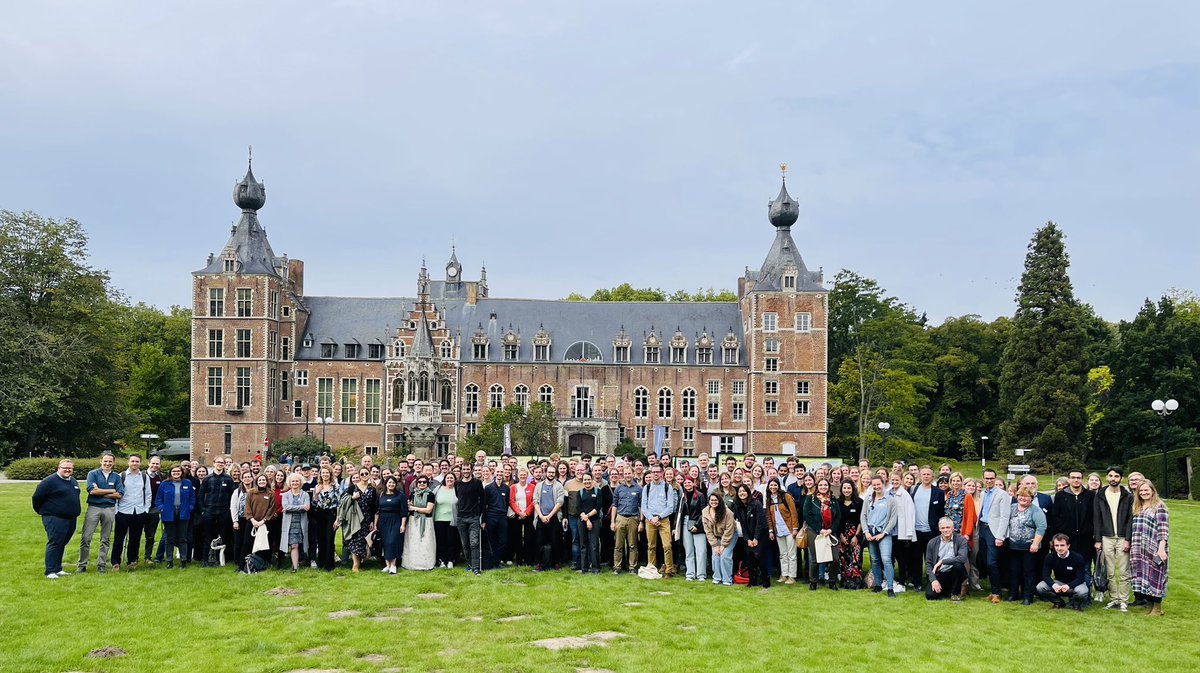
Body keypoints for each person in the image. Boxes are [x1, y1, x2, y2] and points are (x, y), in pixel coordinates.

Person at [32, 459, 82, 579]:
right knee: (55, 543)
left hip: (70, 518)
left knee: (62, 543)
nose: (67, 470)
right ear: (58, 468)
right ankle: (50, 571)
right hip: (54, 518)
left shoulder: (73, 481)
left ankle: (58, 568)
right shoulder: (49, 482)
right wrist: (44, 512)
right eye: (65, 468)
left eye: (70, 468)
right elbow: (37, 498)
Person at [1094, 467, 1133, 612]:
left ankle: (1123, 600)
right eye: (1110, 476)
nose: (1113, 478)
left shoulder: (1127, 496)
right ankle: (1113, 599)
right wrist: (1098, 539)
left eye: (1116, 476)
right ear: (1106, 477)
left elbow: (1131, 519)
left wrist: (1128, 539)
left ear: (1121, 478)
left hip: (1123, 537)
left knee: (1123, 571)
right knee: (1109, 571)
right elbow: (1096, 518)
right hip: (1106, 537)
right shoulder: (1100, 495)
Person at [77, 452, 123, 573]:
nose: (107, 463)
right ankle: (82, 564)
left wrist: (101, 491)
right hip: (94, 507)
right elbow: (92, 491)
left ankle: (101, 564)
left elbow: (119, 494)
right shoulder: (92, 474)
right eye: (105, 461)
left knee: (105, 538)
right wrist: (110, 491)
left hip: (109, 509)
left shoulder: (116, 477)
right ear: (100, 461)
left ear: (113, 463)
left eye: (110, 461)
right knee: (86, 537)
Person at [1129, 479, 1169, 616]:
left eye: (1146, 490)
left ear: (1152, 490)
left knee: (1156, 576)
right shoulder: (1138, 507)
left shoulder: (1159, 507)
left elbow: (1163, 530)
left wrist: (1161, 549)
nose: (1144, 493)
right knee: (1144, 577)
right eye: (1141, 491)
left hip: (1154, 548)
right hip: (1140, 548)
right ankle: (1150, 605)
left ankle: (1157, 608)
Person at [1005, 486, 1047, 605]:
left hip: (1030, 547)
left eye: (1026, 496)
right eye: (1020, 496)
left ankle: (1028, 596)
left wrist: (1035, 543)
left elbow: (1041, 527)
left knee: (1028, 572)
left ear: (1032, 498)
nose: (1023, 498)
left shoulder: (1036, 510)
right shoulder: (1011, 508)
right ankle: (1013, 594)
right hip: (1013, 546)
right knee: (1014, 571)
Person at [111, 455, 152, 572]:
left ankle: (132, 561)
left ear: (140, 463)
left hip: (139, 511)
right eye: (132, 461)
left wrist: (146, 509)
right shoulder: (121, 476)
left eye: (137, 461)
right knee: (119, 538)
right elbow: (116, 493)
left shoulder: (144, 477)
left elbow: (148, 494)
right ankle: (115, 562)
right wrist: (116, 510)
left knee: (135, 538)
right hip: (123, 511)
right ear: (128, 462)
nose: (135, 463)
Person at [979, 468, 1013, 603]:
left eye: (991, 478)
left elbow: (1005, 516)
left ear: (995, 478)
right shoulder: (982, 494)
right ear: (983, 479)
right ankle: (993, 591)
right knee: (985, 562)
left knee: (992, 563)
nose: (989, 481)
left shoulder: (1002, 494)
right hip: (982, 528)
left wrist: (1000, 536)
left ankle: (997, 593)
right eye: (986, 478)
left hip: (994, 531)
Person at [910, 466, 946, 592]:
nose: (926, 476)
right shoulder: (913, 490)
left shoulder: (938, 493)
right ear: (920, 476)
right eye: (923, 474)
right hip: (916, 530)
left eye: (928, 474)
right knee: (916, 558)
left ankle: (931, 581)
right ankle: (917, 583)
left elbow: (942, 513)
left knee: (930, 559)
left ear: (932, 477)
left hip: (932, 531)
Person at [862, 476, 897, 597]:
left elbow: (893, 518)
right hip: (870, 532)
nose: (877, 487)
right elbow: (863, 516)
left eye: (879, 484)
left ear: (883, 484)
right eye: (874, 485)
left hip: (884, 533)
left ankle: (890, 587)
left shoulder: (890, 500)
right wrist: (866, 531)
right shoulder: (868, 499)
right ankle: (877, 584)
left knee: (886, 559)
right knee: (874, 559)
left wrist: (884, 533)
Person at [802, 478, 840, 590]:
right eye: (821, 485)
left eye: (825, 485)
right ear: (817, 486)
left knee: (835, 558)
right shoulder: (811, 499)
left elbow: (838, 516)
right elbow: (807, 515)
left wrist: (831, 529)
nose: (823, 487)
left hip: (830, 532)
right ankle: (813, 582)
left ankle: (832, 582)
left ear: (828, 486)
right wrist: (819, 529)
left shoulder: (833, 499)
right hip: (815, 531)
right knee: (815, 558)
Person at [196, 458, 235, 567]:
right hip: (209, 511)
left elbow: (232, 496)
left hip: (223, 512)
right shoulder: (207, 479)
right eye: (218, 462)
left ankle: (220, 559)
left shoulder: (228, 479)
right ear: (213, 464)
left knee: (223, 536)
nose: (220, 464)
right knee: (208, 536)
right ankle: (205, 560)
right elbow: (200, 496)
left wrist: (229, 510)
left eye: (222, 463)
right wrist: (203, 510)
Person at [641, 465, 678, 578]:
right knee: (651, 546)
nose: (655, 474)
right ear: (651, 473)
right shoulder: (646, 488)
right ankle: (651, 569)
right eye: (653, 472)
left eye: (658, 472)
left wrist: (659, 517)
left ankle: (668, 570)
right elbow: (644, 506)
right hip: (650, 520)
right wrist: (651, 518)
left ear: (662, 473)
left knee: (667, 545)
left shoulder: (668, 487)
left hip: (664, 520)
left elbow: (670, 507)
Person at [1036, 533, 1089, 610]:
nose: (1059, 548)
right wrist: (1054, 585)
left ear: (1068, 546)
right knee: (1040, 587)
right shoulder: (1049, 557)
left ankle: (1076, 605)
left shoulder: (1078, 558)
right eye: (1057, 545)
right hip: (1059, 583)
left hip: (1075, 584)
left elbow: (1080, 578)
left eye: (1062, 545)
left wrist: (1068, 586)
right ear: (1053, 546)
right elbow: (1045, 575)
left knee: (1082, 591)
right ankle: (1058, 602)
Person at [339, 473, 377, 573]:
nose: (364, 475)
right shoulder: (353, 488)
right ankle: (355, 564)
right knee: (355, 539)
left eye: (366, 473)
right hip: (355, 517)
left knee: (363, 540)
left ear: (369, 475)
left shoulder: (372, 489)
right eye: (362, 474)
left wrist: (372, 520)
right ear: (359, 475)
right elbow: (342, 500)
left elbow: (374, 506)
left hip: (367, 518)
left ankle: (361, 561)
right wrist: (352, 498)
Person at [924, 517, 968, 601]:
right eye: (943, 528)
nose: (945, 530)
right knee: (930, 596)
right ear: (939, 529)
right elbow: (928, 564)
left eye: (948, 527)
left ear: (953, 528)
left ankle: (955, 593)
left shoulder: (961, 540)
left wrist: (942, 561)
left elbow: (962, 558)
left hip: (954, 574)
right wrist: (933, 580)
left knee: (958, 566)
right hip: (940, 574)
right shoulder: (932, 542)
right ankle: (947, 591)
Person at [533, 466, 565, 572]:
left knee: (555, 541)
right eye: (549, 472)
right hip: (541, 518)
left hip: (554, 518)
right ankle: (538, 563)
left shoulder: (559, 486)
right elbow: (535, 501)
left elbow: (560, 502)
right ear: (545, 473)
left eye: (552, 472)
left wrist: (549, 516)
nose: (551, 474)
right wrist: (541, 516)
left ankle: (555, 563)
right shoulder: (538, 486)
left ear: (555, 473)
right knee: (538, 542)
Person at [455, 464, 485, 576]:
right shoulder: (457, 483)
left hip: (474, 517)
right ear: (462, 471)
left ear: (471, 470)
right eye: (464, 469)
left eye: (468, 469)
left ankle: (476, 567)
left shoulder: (477, 483)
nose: (466, 471)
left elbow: (482, 499)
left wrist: (481, 517)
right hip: (461, 517)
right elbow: (458, 497)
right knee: (465, 544)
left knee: (474, 543)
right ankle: (470, 565)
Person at [611, 466, 642, 574]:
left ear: (633, 474)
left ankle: (632, 567)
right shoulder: (619, 489)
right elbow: (614, 506)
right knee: (618, 545)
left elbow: (641, 506)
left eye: (629, 473)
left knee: (633, 545)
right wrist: (612, 521)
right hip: (620, 518)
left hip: (633, 518)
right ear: (623, 475)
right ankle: (617, 567)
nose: (627, 475)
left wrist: (641, 521)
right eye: (626, 473)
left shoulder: (638, 489)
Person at [403, 475, 437, 571]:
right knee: (414, 542)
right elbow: (409, 506)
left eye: (424, 482)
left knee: (425, 542)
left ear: (427, 484)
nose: (422, 483)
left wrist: (414, 508)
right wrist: (411, 507)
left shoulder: (430, 495)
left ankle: (426, 564)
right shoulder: (413, 494)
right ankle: (412, 563)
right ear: (416, 483)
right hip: (414, 521)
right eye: (419, 482)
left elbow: (428, 510)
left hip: (426, 521)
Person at [678, 476, 708, 582]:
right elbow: (680, 513)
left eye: (689, 483)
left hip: (699, 523)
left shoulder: (700, 496)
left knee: (701, 551)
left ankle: (701, 574)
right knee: (689, 550)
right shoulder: (683, 497)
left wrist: (697, 525)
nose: (687, 485)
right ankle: (690, 573)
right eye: (685, 483)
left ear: (693, 483)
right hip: (686, 523)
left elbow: (704, 512)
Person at [310, 466, 341, 572]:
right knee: (321, 538)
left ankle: (329, 564)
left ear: (330, 474)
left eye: (327, 473)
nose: (325, 475)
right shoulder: (317, 486)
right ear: (320, 474)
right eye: (323, 473)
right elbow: (314, 504)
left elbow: (339, 504)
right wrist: (316, 494)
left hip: (331, 514)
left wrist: (337, 519)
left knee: (329, 539)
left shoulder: (336, 487)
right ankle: (321, 563)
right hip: (320, 514)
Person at [375, 476, 407, 575]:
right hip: (383, 521)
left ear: (396, 484)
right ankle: (387, 565)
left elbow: (404, 511)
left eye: (393, 483)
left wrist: (403, 525)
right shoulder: (381, 495)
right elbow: (377, 511)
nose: (391, 484)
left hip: (396, 520)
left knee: (392, 542)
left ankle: (393, 565)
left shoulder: (400, 495)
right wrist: (375, 524)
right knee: (385, 542)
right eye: (389, 482)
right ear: (385, 484)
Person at [243, 473, 276, 568]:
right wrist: (253, 520)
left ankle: (262, 565)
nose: (262, 482)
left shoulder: (271, 493)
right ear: (256, 481)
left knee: (264, 545)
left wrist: (263, 521)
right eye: (260, 480)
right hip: (252, 522)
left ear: (267, 482)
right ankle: (244, 565)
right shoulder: (251, 492)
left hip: (265, 524)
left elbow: (272, 509)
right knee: (247, 544)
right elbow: (247, 507)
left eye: (264, 480)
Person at [704, 492, 737, 586]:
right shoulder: (705, 512)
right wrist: (714, 545)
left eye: (716, 500)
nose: (713, 502)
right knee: (715, 556)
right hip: (715, 536)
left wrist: (723, 545)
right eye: (711, 500)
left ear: (720, 501)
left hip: (730, 535)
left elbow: (729, 530)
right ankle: (717, 577)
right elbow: (708, 531)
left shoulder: (728, 513)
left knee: (724, 555)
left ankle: (727, 579)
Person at [280, 473, 311, 573]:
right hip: (289, 523)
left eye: (297, 481)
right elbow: (286, 507)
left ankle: (296, 564)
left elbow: (307, 507)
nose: (295, 483)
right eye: (293, 481)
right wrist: (301, 507)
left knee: (297, 545)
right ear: (289, 483)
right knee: (293, 545)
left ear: (300, 482)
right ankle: (295, 566)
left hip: (301, 523)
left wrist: (291, 508)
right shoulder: (285, 495)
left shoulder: (305, 494)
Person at [836, 480, 864, 589]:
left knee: (855, 557)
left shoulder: (859, 502)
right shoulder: (837, 502)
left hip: (856, 534)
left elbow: (862, 520)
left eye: (849, 488)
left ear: (853, 489)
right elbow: (836, 520)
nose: (846, 490)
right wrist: (841, 536)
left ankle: (856, 581)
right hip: (842, 534)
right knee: (843, 558)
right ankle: (845, 581)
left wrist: (856, 536)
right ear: (841, 489)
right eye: (844, 488)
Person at [482, 466, 508, 570]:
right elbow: (484, 505)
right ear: (494, 472)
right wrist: (483, 520)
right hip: (491, 516)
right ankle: (494, 563)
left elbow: (507, 503)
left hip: (502, 517)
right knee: (492, 541)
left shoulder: (506, 488)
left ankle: (497, 560)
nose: (500, 473)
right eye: (498, 471)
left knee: (503, 541)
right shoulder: (488, 488)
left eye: (502, 471)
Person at [509, 467, 536, 566]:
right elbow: (511, 501)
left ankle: (529, 560)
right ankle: (519, 561)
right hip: (517, 516)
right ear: (518, 476)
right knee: (517, 538)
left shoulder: (532, 487)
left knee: (529, 538)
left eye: (525, 475)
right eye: (521, 475)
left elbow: (534, 501)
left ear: (527, 476)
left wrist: (526, 513)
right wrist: (519, 512)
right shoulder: (513, 487)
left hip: (529, 515)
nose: (523, 477)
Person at [576, 473, 602, 574]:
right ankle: (584, 568)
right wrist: (586, 520)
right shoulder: (580, 492)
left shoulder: (597, 491)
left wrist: (589, 517)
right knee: (583, 545)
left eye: (588, 479)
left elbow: (598, 506)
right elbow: (578, 507)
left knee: (594, 545)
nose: (587, 482)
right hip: (582, 521)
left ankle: (595, 568)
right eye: (585, 480)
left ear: (592, 480)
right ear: (583, 481)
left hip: (595, 521)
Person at [433, 473, 459, 568]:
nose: (449, 479)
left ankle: (450, 560)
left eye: (452, 478)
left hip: (452, 519)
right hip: (439, 519)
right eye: (448, 478)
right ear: (444, 479)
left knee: (451, 541)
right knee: (441, 541)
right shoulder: (438, 489)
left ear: (455, 479)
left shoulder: (457, 490)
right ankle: (442, 560)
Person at [142, 455, 163, 565]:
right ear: (148, 463)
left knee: (150, 536)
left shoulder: (160, 477)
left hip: (154, 509)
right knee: (135, 535)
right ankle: (133, 558)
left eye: (157, 464)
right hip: (140, 509)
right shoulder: (141, 476)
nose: (155, 465)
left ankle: (147, 557)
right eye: (153, 463)